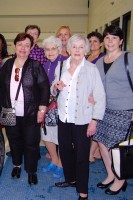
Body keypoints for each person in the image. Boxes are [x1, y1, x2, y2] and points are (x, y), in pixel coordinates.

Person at [52, 34, 106, 200]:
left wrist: (94, 120)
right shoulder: (61, 65)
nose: (77, 50)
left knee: (82, 156)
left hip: (83, 119)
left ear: (86, 50)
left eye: (81, 47)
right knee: (66, 151)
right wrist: (56, 87)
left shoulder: (91, 69)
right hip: (64, 117)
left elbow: (100, 95)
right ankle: (71, 179)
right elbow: (53, 90)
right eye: (74, 46)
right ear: (68, 48)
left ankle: (83, 192)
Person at [93, 25, 133, 195]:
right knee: (101, 143)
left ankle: (121, 180)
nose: (110, 41)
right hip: (103, 110)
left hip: (124, 110)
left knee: (117, 147)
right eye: (107, 38)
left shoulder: (130, 58)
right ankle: (110, 174)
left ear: (121, 41)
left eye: (114, 38)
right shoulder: (100, 61)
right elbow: (96, 86)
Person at [0, 33, 50, 185]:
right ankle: (17, 165)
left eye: (27, 45)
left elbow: (45, 87)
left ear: (31, 47)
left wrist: (42, 109)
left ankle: (31, 170)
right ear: (15, 46)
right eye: (20, 45)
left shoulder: (35, 65)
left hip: (31, 112)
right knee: (14, 140)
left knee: (31, 142)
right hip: (9, 111)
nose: (23, 48)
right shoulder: (7, 64)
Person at [41, 36, 68, 178]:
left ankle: (62, 164)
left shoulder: (65, 63)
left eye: (53, 49)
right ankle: (54, 160)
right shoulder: (45, 65)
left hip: (61, 105)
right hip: (47, 104)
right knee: (47, 134)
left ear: (59, 49)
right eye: (47, 49)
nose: (50, 52)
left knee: (60, 136)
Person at [86, 31, 106, 162]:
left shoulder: (103, 58)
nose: (92, 44)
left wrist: (96, 97)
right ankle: (93, 151)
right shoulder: (85, 57)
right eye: (90, 41)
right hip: (87, 94)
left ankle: (91, 153)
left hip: (97, 94)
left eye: (95, 41)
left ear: (101, 44)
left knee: (96, 123)